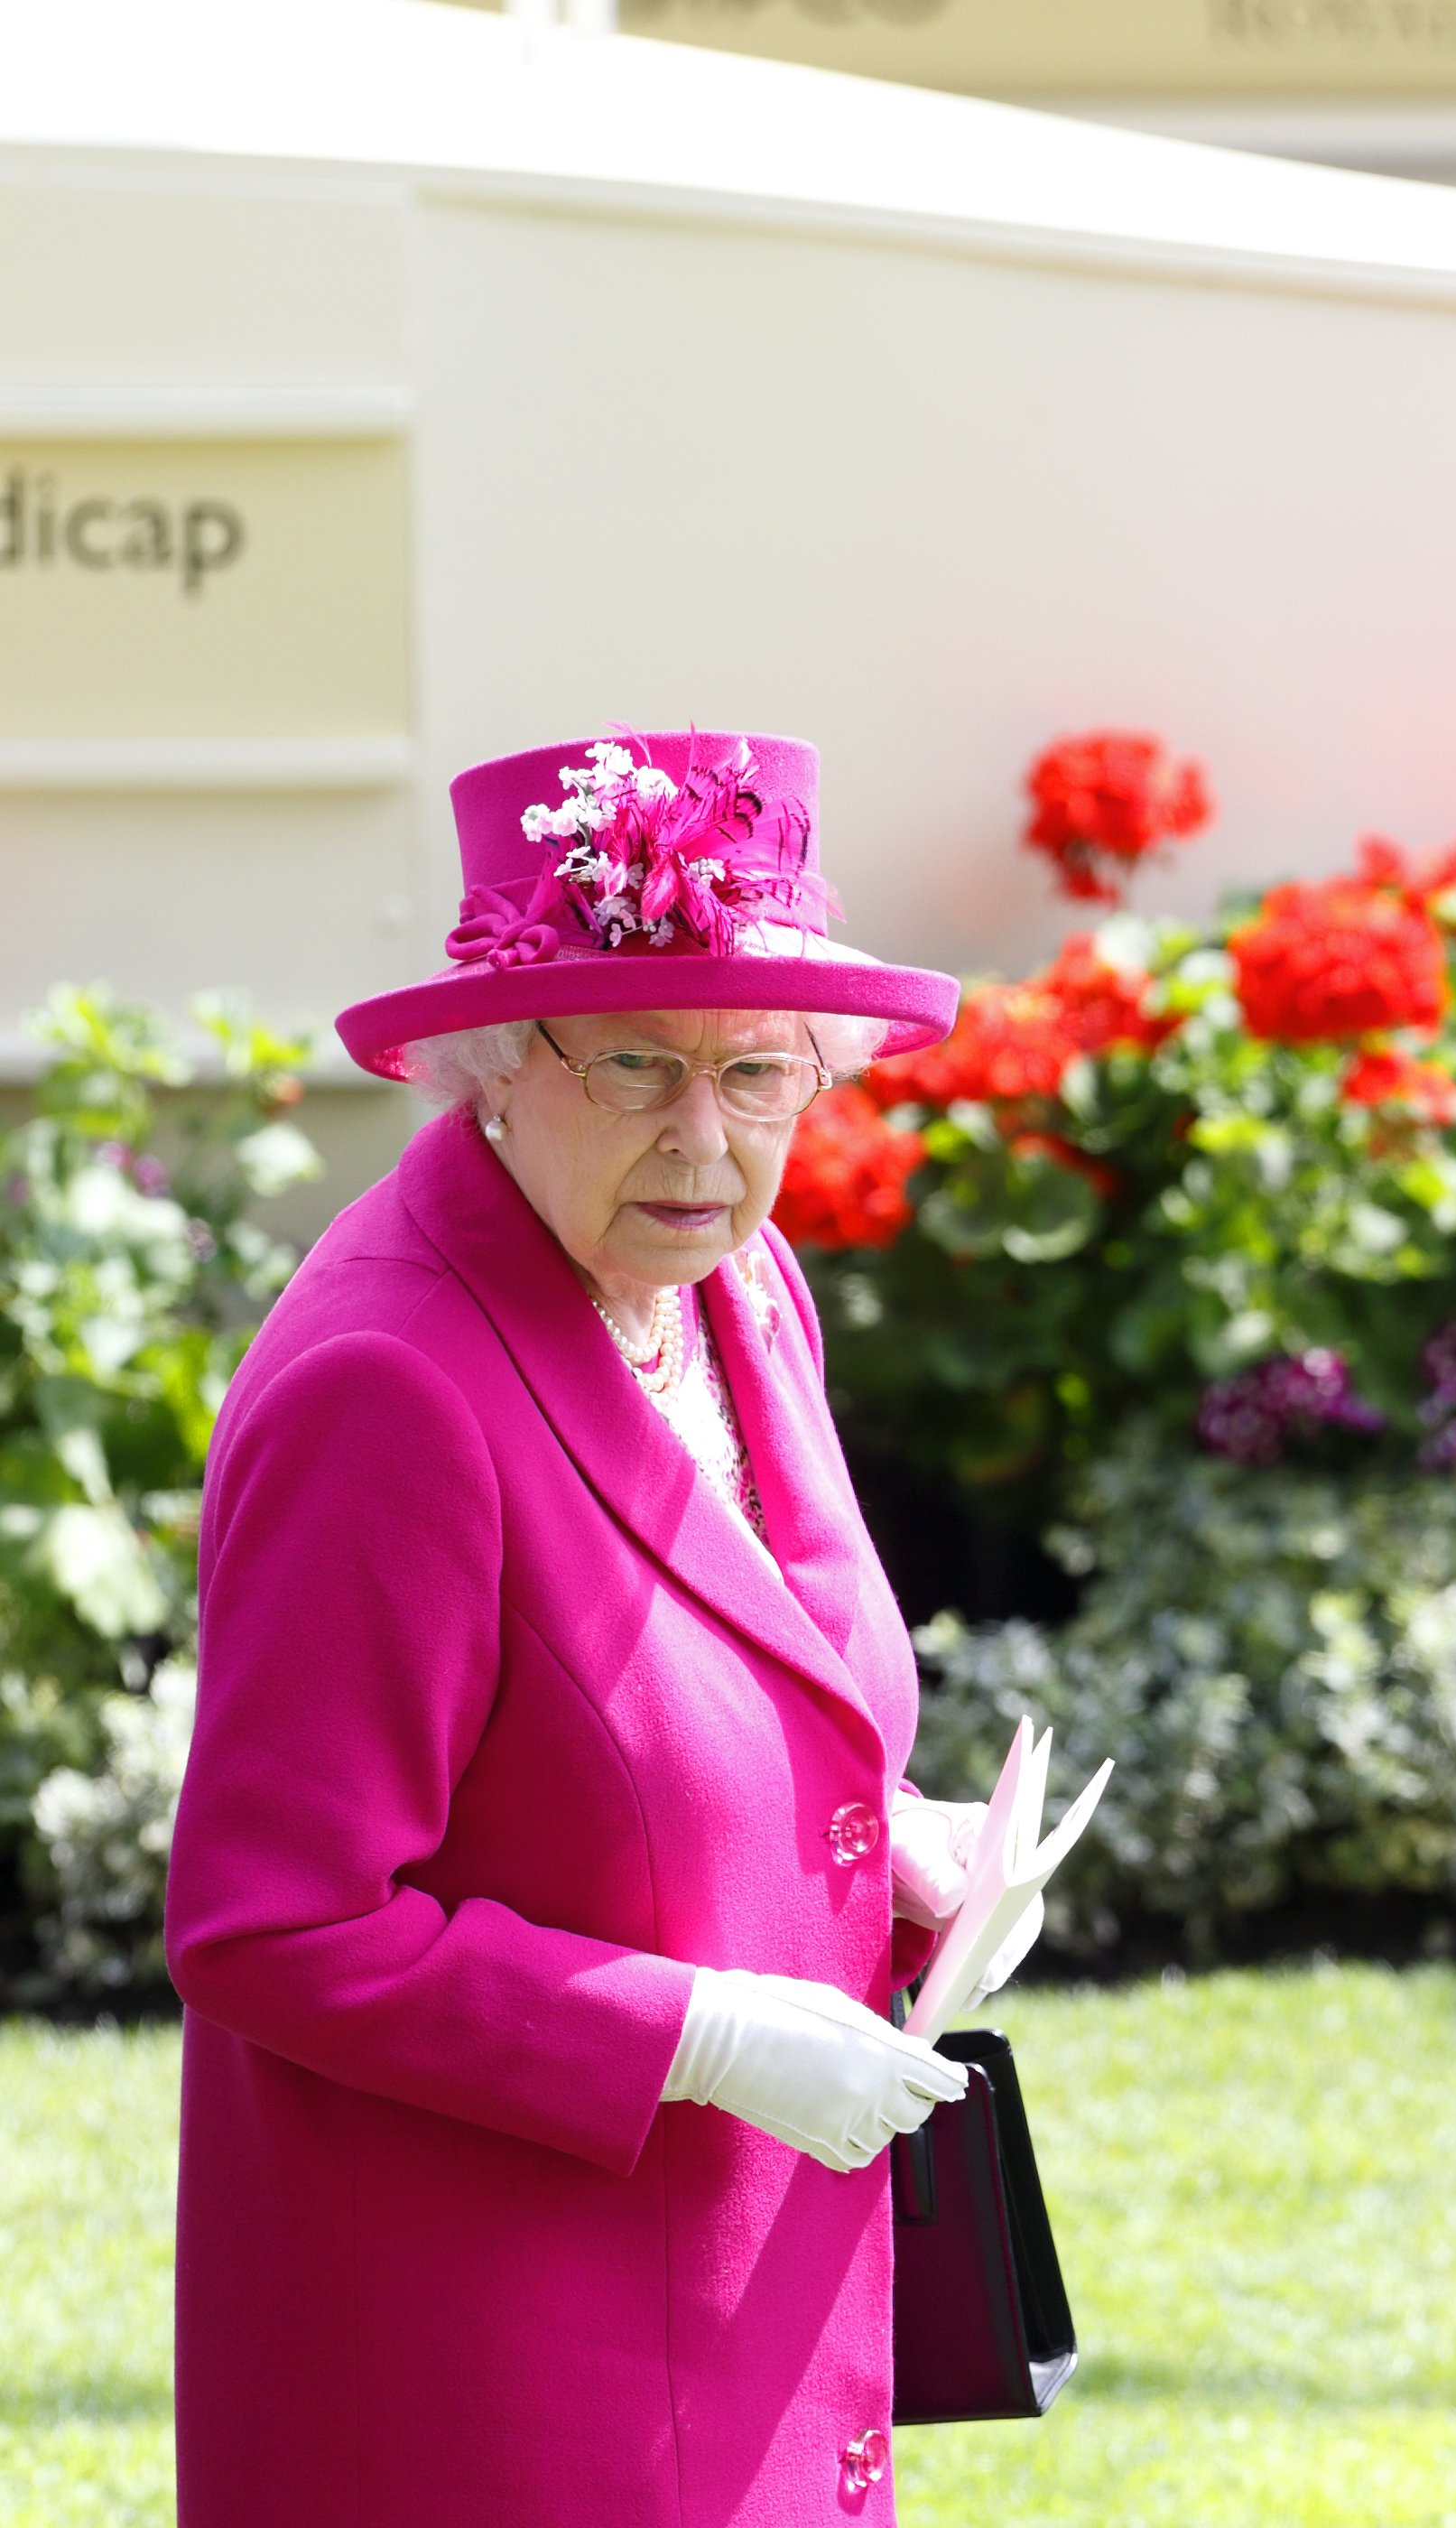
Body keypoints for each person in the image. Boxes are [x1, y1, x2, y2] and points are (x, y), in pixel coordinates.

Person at [168, 730, 1018, 2524]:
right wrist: (699, 2029)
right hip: (500, 2387)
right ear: (497, 1063)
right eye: (637, 1061)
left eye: (760, 1071)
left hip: (744, 2327)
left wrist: (901, 1843)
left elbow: (731, 1685)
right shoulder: (389, 1384)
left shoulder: (732, 1284)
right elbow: (276, 1923)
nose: (702, 1138)